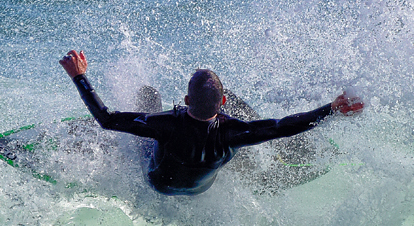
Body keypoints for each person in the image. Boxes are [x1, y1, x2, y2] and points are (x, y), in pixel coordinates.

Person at [59, 50, 364, 195]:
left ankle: (114, 148)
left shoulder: (165, 124)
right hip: (199, 188)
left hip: (157, 183)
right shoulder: (234, 131)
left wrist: (79, 76)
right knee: (262, 130)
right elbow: (284, 126)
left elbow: (106, 119)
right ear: (222, 103)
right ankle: (269, 162)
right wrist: (331, 109)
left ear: (186, 100)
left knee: (148, 95)